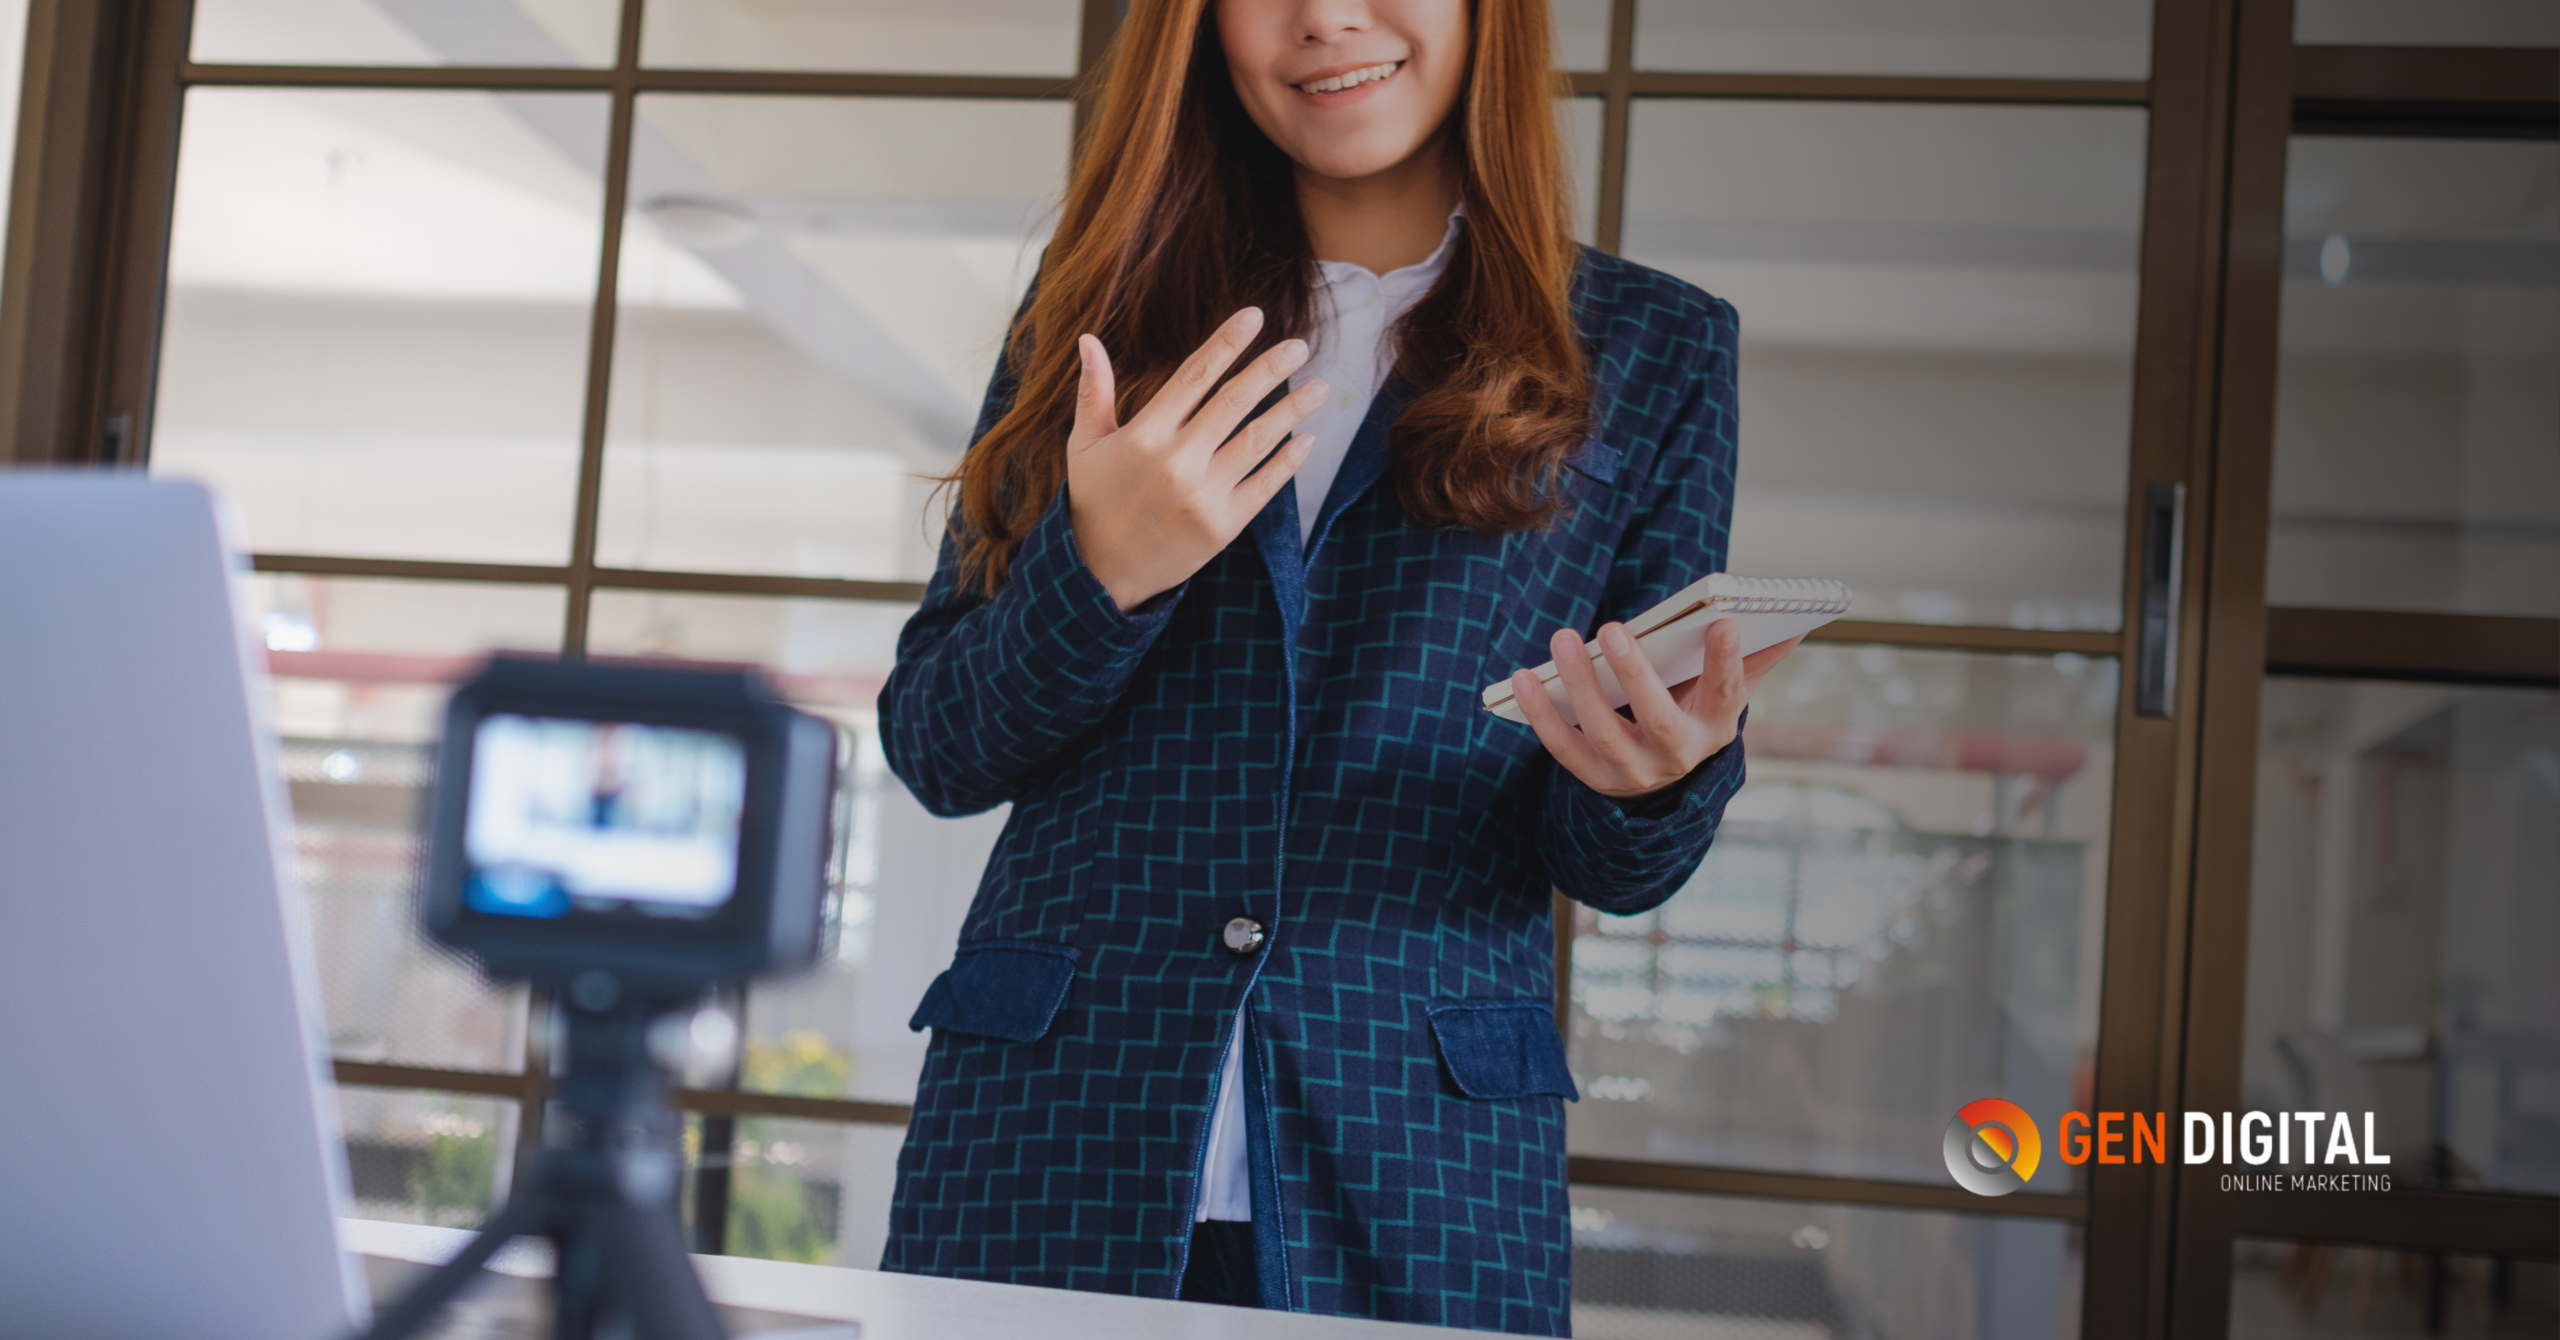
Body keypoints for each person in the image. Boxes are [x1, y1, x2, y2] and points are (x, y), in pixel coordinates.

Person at [876, 0, 1800, 1333]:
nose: (1325, 16)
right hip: (1050, 1143)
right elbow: (938, 745)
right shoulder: (1095, 319)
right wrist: (1106, 574)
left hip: (1421, 1170)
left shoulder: (1657, 350)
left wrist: (1654, 784)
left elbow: (1611, 862)